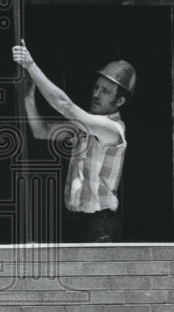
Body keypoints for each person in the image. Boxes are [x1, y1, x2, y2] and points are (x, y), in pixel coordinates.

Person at [12, 41, 135, 243]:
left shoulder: (112, 129)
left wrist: (30, 65)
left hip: (99, 225)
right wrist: (28, 97)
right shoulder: (84, 126)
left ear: (119, 101)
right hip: (78, 221)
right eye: (96, 87)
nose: (96, 94)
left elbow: (66, 106)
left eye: (105, 91)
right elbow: (40, 131)